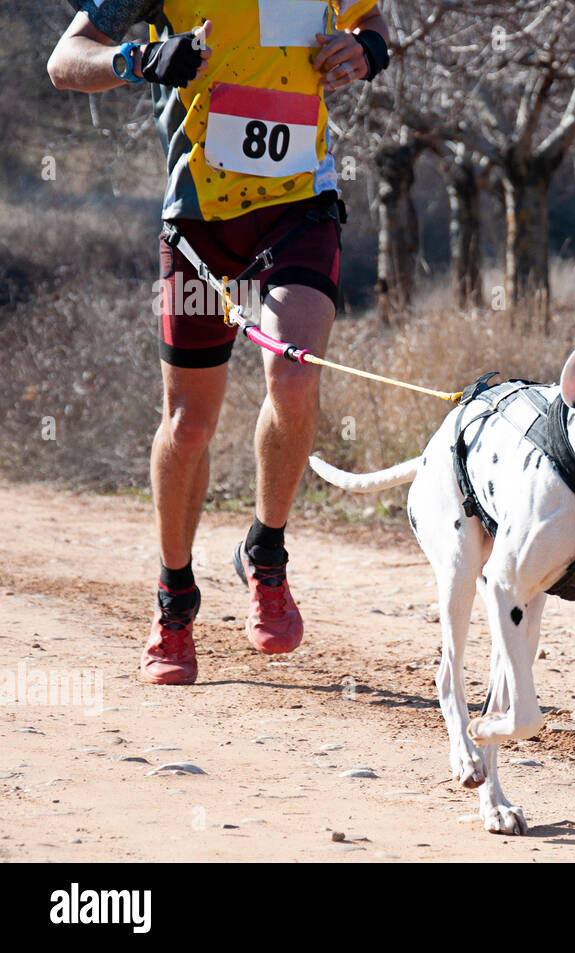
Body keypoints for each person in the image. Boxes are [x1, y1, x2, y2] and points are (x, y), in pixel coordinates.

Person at [47, 1, 391, 685]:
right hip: (199, 219)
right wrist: (139, 60)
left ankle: (266, 553)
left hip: (299, 205)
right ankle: (175, 598)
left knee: (295, 377)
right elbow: (65, 62)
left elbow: (374, 21)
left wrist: (367, 52)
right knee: (190, 424)